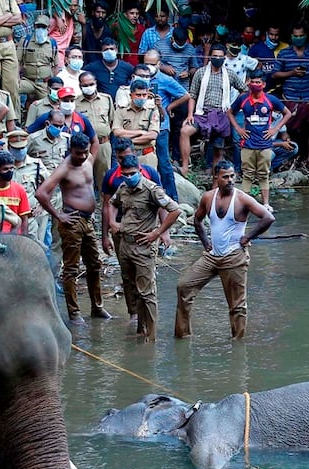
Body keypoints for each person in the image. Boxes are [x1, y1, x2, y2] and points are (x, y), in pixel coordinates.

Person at [174, 161, 275, 340]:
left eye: (232, 176)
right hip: (212, 256)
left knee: (237, 305)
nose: (230, 180)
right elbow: (197, 220)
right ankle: (183, 336)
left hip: (234, 256)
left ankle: (238, 346)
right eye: (225, 177)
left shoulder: (242, 198)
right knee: (184, 286)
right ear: (216, 178)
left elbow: (268, 217)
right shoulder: (208, 197)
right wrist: (205, 242)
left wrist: (248, 237)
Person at [34, 132, 109, 322]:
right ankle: (74, 313)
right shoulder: (64, 168)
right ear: (70, 150)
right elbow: (41, 193)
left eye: (84, 152)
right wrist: (58, 215)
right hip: (71, 221)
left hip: (88, 220)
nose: (82, 156)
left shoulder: (89, 159)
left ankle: (97, 307)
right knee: (71, 268)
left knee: (94, 264)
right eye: (78, 153)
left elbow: (94, 145)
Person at [108, 154, 182, 341]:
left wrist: (157, 233)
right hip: (125, 243)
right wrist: (112, 223)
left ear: (140, 171)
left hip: (144, 246)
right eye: (125, 174)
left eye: (132, 173)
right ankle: (140, 330)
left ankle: (151, 336)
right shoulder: (123, 188)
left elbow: (175, 210)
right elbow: (112, 204)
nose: (129, 177)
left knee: (147, 293)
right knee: (131, 287)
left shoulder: (151, 190)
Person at [273, 23, 309, 172]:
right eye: (296, 36)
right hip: (290, 96)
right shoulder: (284, 53)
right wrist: (291, 73)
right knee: (289, 128)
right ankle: (291, 159)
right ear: (291, 37)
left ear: (306, 36)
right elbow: (274, 74)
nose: (298, 38)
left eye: (301, 36)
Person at [181, 43, 246, 176]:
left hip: (221, 115)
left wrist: (232, 107)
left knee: (218, 149)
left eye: (220, 56)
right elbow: (192, 95)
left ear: (224, 58)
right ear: (210, 57)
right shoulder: (200, 72)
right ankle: (185, 167)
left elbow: (244, 89)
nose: (217, 58)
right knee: (185, 131)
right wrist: (189, 114)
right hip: (202, 113)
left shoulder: (230, 74)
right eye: (215, 56)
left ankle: (216, 183)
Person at [230, 71, 290, 211]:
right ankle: (245, 205)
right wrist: (239, 129)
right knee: (248, 174)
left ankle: (266, 204)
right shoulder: (243, 99)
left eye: (258, 82)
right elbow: (230, 112)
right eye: (253, 82)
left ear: (263, 84)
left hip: (265, 143)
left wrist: (275, 129)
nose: (255, 84)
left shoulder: (271, 100)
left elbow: (287, 113)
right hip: (247, 143)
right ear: (249, 83)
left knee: (264, 174)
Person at [137, 57, 188, 200]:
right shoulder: (137, 79)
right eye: (146, 63)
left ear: (159, 64)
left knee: (164, 161)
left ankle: (172, 197)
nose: (149, 67)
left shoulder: (165, 79)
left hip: (161, 126)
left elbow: (185, 95)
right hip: (141, 127)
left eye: (152, 64)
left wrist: (167, 107)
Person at [76, 70, 114, 191]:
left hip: (103, 145)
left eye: (91, 84)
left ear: (96, 83)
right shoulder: (75, 103)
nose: (88, 87)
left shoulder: (106, 99)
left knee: (105, 180)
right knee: (83, 179)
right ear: (80, 86)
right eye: (85, 85)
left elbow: (112, 121)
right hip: (84, 147)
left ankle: (104, 207)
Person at [7, 128, 47, 241]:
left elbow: (49, 185)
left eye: (22, 148)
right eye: (16, 148)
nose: (20, 151)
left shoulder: (36, 165)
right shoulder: (4, 165)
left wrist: (42, 205)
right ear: (9, 148)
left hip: (31, 218)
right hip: (10, 218)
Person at [112, 78, 160, 169]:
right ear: (131, 95)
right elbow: (117, 132)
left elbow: (152, 135)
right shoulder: (121, 110)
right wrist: (141, 132)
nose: (141, 98)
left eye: (144, 95)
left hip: (146, 155)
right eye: (138, 95)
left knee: (148, 181)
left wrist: (128, 142)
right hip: (126, 155)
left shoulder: (152, 110)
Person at [18, 14, 56, 111]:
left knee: (47, 106)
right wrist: (16, 78)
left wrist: (52, 83)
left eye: (43, 27)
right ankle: (16, 119)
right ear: (34, 26)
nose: (40, 29)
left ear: (48, 28)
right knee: (12, 88)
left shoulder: (52, 43)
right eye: (38, 26)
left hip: (44, 83)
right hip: (28, 81)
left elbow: (55, 66)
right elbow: (18, 62)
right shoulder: (26, 40)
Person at [0, 150, 30, 234]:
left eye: (11, 168)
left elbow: (24, 219)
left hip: (14, 236)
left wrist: (24, 238)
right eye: (5, 169)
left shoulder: (19, 190)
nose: (9, 171)